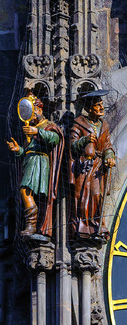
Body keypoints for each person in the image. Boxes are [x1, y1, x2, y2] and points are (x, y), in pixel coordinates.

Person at [6, 97, 63, 236]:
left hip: (39, 162)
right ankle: (33, 225)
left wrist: (37, 132)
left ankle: (31, 225)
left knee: (25, 191)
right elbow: (27, 150)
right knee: (28, 193)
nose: (32, 115)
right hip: (30, 161)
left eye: (34, 110)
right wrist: (18, 149)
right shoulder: (32, 129)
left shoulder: (47, 125)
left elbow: (55, 139)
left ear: (39, 110)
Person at [69, 90, 116, 238]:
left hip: (98, 166)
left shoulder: (104, 125)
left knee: (97, 195)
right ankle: (83, 226)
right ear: (89, 109)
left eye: (102, 105)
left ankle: (97, 224)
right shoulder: (79, 124)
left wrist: (109, 156)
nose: (101, 108)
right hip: (84, 165)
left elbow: (107, 146)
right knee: (83, 196)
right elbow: (72, 145)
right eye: (98, 105)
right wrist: (85, 140)